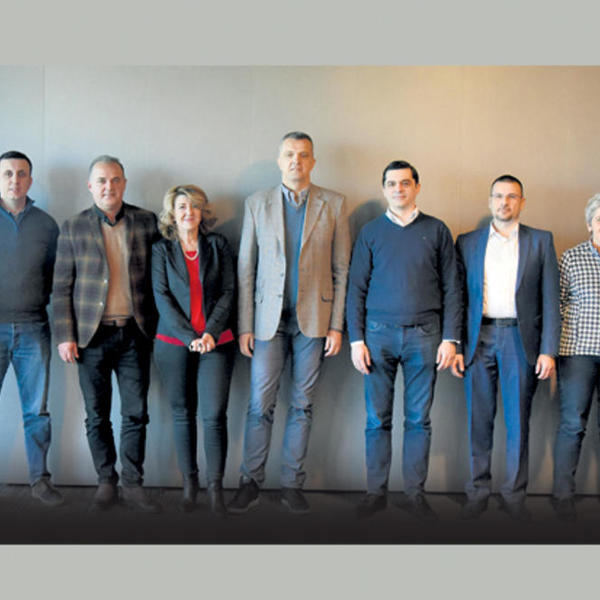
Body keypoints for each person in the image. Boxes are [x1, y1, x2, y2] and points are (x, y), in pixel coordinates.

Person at [228, 131, 351, 515]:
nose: (296, 161)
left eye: (303, 155)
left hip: (314, 321)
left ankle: (292, 484)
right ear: (279, 160)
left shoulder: (334, 204)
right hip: (268, 322)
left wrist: (337, 326)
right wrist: (245, 325)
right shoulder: (257, 203)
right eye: (289, 154)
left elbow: (342, 269)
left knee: (302, 406)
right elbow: (246, 268)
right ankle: (250, 481)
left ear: (313, 161)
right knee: (259, 405)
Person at [347, 160, 461, 520]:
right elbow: (356, 288)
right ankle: (375, 493)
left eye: (405, 183)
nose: (399, 189)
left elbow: (453, 287)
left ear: (417, 187)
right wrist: (356, 340)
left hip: (425, 336)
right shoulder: (370, 232)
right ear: (384, 189)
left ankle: (415, 494)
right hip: (377, 336)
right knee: (376, 420)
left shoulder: (437, 230)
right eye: (392, 184)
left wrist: (451, 338)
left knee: (418, 420)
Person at [52, 155, 161, 513]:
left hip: (135, 333)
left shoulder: (146, 222)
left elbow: (161, 275)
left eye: (115, 180)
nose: (108, 187)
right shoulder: (73, 227)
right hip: (91, 337)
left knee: (136, 413)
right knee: (97, 415)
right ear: (90, 186)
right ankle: (105, 481)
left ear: (124, 184)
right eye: (101, 180)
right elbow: (61, 287)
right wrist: (65, 335)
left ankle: (133, 484)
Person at [453, 174, 560, 521]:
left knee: (518, 422)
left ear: (522, 203)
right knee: (478, 421)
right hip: (478, 339)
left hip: (520, 340)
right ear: (490, 201)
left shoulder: (540, 241)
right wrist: (456, 344)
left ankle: (514, 495)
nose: (504, 202)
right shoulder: (467, 242)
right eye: (498, 196)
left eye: (512, 196)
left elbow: (551, 298)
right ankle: (477, 491)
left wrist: (548, 350)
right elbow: (458, 298)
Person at [152, 185, 235, 516]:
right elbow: (162, 298)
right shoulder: (161, 250)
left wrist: (210, 333)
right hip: (173, 344)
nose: (189, 212)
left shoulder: (218, 245)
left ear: (203, 212)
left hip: (217, 342)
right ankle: (190, 486)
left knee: (214, 416)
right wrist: (190, 337)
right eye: (182, 206)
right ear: (172, 213)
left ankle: (216, 490)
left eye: (195, 206)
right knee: (182, 413)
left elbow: (229, 291)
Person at [0, 150, 63, 507]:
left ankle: (40, 480)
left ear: (30, 180)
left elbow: (56, 277)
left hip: (33, 327)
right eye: (7, 173)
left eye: (21, 173)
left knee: (36, 411)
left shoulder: (46, 225)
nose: (14, 180)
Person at [551, 193, 600, 522]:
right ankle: (563, 496)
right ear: (589, 224)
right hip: (578, 353)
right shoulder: (571, 258)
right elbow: (556, 305)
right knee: (573, 425)